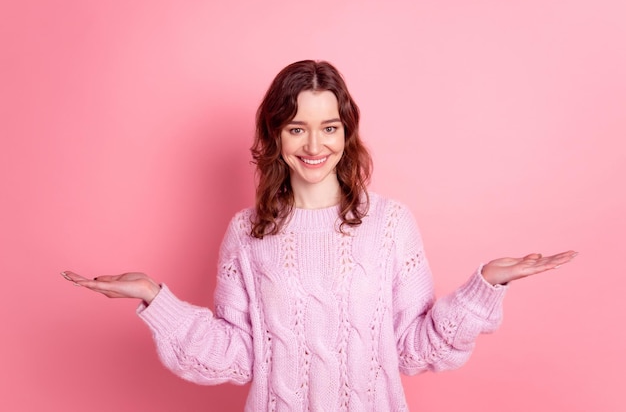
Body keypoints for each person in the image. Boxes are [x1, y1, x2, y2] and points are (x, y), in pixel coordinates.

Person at [61, 60, 577, 411]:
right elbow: (238, 355)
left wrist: (485, 285)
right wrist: (157, 299)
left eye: (329, 127)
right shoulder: (247, 232)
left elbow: (414, 348)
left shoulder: (391, 224)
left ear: (347, 132)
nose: (314, 144)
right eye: (296, 128)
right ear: (274, 135)